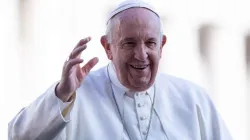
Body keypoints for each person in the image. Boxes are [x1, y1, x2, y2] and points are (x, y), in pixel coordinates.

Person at [8, 0, 233, 140]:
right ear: (108, 47)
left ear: (162, 46)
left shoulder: (193, 99)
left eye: (150, 43)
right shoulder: (75, 97)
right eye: (129, 43)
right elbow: (18, 136)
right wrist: (61, 95)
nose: (141, 54)